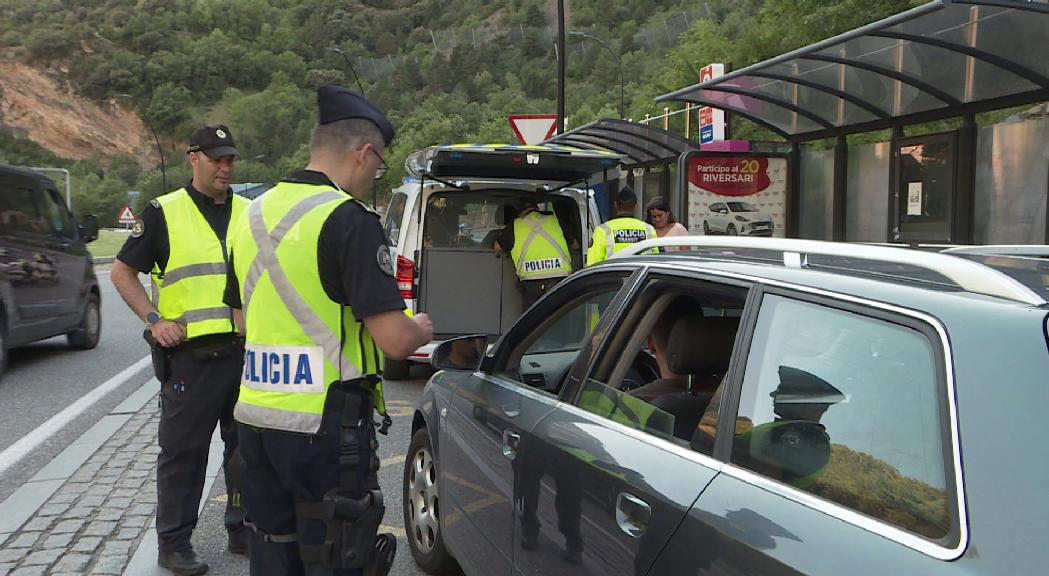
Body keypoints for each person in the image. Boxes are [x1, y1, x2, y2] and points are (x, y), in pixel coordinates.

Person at [224, 85, 433, 576]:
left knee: (272, 554)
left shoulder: (249, 215)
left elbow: (241, 320)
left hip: (254, 422)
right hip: (326, 429)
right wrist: (422, 328)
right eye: (378, 166)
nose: (374, 176)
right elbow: (395, 341)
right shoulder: (349, 220)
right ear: (364, 153)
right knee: (337, 557)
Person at [110, 125, 248, 576]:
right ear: (193, 158)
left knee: (247, 449)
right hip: (191, 358)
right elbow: (122, 272)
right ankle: (173, 544)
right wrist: (155, 321)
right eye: (216, 159)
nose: (225, 167)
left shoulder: (251, 212)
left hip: (246, 352)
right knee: (183, 455)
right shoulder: (164, 212)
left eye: (229, 159)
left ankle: (242, 528)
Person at [494, 199, 572, 309]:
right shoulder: (555, 221)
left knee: (533, 321)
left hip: (532, 283)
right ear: (537, 208)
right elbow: (575, 245)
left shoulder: (516, 224)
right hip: (561, 280)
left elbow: (497, 247)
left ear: (520, 212)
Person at [586, 185, 656, 265]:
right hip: (641, 276)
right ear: (636, 206)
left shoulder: (603, 230)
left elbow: (593, 264)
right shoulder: (649, 229)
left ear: (615, 205)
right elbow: (655, 260)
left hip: (612, 276)